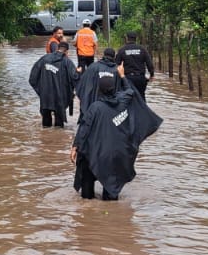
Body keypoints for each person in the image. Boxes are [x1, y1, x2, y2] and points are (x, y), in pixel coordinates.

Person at [70, 72, 163, 200]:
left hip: (98, 154)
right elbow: (130, 90)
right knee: (112, 192)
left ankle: (87, 206)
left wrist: (75, 147)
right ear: (114, 88)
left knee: (87, 176)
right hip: (118, 154)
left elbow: (84, 129)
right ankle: (112, 209)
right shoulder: (123, 101)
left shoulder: (95, 107)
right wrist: (123, 75)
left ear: (100, 89)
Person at [28, 38, 78, 128]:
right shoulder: (67, 62)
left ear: (57, 48)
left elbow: (32, 78)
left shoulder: (44, 58)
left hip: (45, 96)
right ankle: (57, 141)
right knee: (59, 127)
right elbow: (75, 78)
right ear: (66, 51)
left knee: (46, 125)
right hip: (60, 97)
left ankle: (46, 140)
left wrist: (40, 91)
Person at [75, 45, 130, 110]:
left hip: (94, 107)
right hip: (111, 108)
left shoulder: (93, 67)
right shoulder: (118, 70)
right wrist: (123, 76)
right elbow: (127, 90)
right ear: (114, 57)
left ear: (103, 55)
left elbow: (81, 86)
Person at [118, 31, 155, 101]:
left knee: (127, 98)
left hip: (127, 79)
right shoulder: (142, 49)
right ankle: (144, 111)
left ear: (127, 38)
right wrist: (152, 75)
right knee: (141, 97)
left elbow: (116, 65)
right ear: (136, 39)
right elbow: (149, 64)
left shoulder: (122, 50)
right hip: (140, 78)